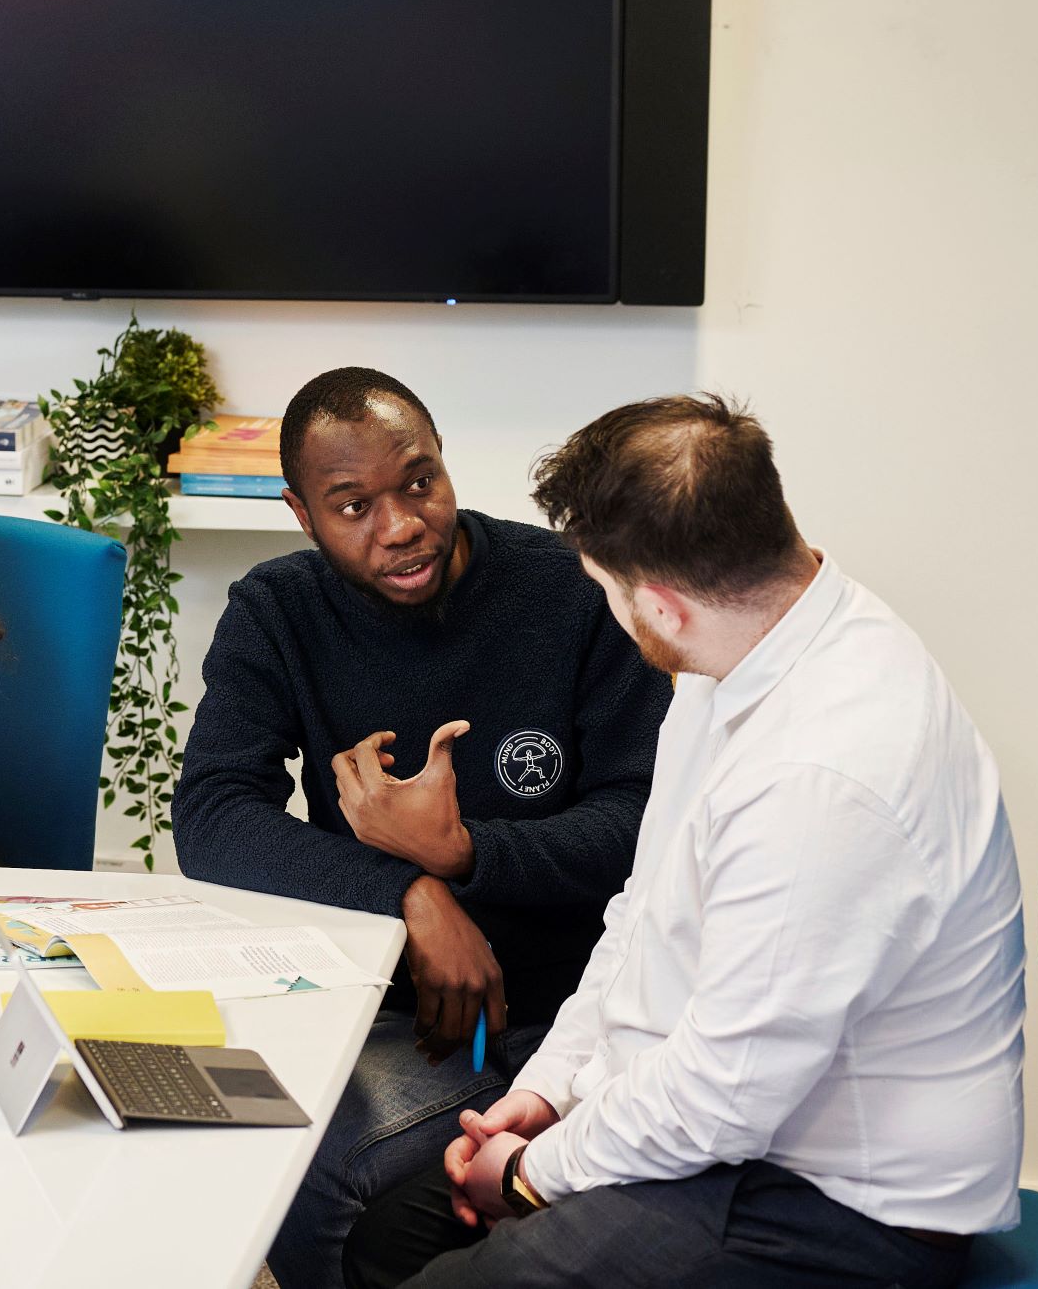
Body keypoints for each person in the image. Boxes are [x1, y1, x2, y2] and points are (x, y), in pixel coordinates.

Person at [342, 394, 1025, 1289]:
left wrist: (526, 1173)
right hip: (736, 1133)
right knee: (390, 1238)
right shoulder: (738, 652)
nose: (610, 611)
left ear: (660, 606)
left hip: (835, 1208)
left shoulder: (824, 773)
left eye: (607, 591)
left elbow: (722, 1097)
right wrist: (544, 1096)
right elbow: (642, 915)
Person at [170, 368, 672, 1289]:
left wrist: (466, 852)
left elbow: (646, 819)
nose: (398, 525)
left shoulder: (570, 592)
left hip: (567, 1012)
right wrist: (411, 893)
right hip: (375, 1002)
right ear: (300, 513)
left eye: (418, 483)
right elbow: (212, 813)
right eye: (351, 504)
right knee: (240, 1149)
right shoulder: (276, 610)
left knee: (333, 1177)